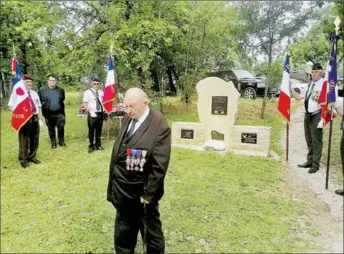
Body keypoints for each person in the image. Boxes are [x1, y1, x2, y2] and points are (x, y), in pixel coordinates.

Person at [107, 87, 171, 254]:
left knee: (151, 234)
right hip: (122, 192)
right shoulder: (129, 118)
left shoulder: (158, 124)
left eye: (132, 106)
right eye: (125, 106)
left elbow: (159, 165)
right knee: (123, 232)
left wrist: (149, 194)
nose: (128, 111)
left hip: (142, 195)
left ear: (145, 102)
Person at [291, 63, 342, 174]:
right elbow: (299, 98)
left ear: (321, 72)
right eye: (312, 72)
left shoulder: (325, 84)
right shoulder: (310, 84)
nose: (313, 74)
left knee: (316, 140)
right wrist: (291, 90)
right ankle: (309, 161)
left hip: (318, 115)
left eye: (316, 72)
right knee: (309, 139)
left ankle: (315, 164)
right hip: (307, 115)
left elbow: (331, 98)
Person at [8, 75, 42, 168]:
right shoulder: (17, 93)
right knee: (24, 139)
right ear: (23, 82)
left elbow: (38, 105)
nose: (29, 83)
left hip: (34, 117)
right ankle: (23, 160)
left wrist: (39, 117)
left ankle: (32, 157)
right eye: (27, 82)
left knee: (35, 139)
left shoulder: (34, 93)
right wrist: (19, 114)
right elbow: (10, 106)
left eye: (31, 82)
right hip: (24, 118)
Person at [38, 75, 66, 149]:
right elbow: (39, 101)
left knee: (61, 127)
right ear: (48, 81)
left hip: (59, 113)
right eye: (51, 80)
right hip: (48, 113)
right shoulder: (42, 90)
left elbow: (62, 99)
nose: (53, 82)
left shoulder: (61, 90)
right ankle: (53, 143)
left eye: (54, 80)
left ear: (56, 81)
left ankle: (61, 142)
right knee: (51, 128)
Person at [82, 77, 104, 153]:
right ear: (92, 84)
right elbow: (84, 104)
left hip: (100, 113)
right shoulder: (87, 92)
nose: (96, 85)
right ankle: (91, 145)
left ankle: (98, 145)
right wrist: (90, 111)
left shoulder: (101, 92)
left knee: (99, 130)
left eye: (97, 84)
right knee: (91, 130)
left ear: (99, 84)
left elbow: (104, 102)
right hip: (92, 113)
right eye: (94, 83)